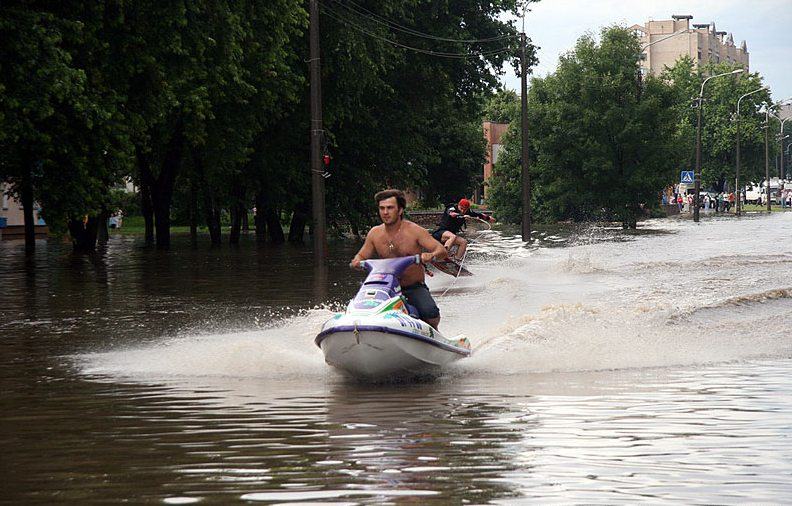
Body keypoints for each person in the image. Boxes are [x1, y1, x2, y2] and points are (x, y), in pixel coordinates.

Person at [350, 189, 447, 329]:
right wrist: (357, 260)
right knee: (360, 309)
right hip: (383, 288)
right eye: (382, 208)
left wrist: (431, 255)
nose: (385, 212)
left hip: (412, 287)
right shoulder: (374, 233)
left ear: (400, 210)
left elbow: (441, 250)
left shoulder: (415, 231)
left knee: (430, 313)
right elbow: (362, 255)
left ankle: (433, 336)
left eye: (390, 208)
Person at [430, 198, 496, 260]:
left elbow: (479, 214)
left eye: (465, 209)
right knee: (452, 236)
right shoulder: (452, 208)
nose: (463, 211)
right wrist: (462, 215)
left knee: (464, 242)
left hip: (451, 237)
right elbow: (451, 214)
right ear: (458, 205)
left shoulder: (467, 211)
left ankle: (456, 260)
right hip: (440, 233)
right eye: (461, 208)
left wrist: (489, 218)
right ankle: (443, 254)